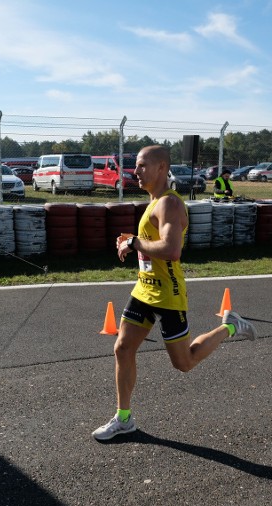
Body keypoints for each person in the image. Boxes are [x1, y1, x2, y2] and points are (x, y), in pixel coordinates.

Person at [92, 145, 257, 441]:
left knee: (184, 363)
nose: (135, 171)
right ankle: (124, 419)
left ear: (161, 168)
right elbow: (153, 240)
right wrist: (135, 239)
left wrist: (135, 245)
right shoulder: (154, 202)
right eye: (136, 166)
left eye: (142, 165)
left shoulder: (169, 203)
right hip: (144, 289)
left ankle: (231, 325)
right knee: (122, 348)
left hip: (168, 294)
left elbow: (171, 249)